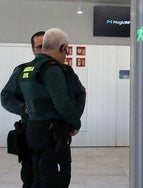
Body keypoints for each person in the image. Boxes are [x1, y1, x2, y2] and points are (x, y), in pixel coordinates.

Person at [19, 28, 84, 188]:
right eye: (66, 49)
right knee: (55, 179)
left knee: (39, 177)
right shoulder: (51, 69)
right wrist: (75, 123)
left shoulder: (29, 68)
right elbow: (62, 103)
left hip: (33, 130)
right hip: (51, 134)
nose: (67, 54)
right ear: (62, 48)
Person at [1, 31, 45, 188]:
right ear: (33, 50)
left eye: (47, 46)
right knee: (31, 178)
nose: (43, 50)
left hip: (56, 139)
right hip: (30, 135)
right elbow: (5, 97)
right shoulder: (22, 71)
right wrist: (24, 108)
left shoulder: (62, 72)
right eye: (39, 47)